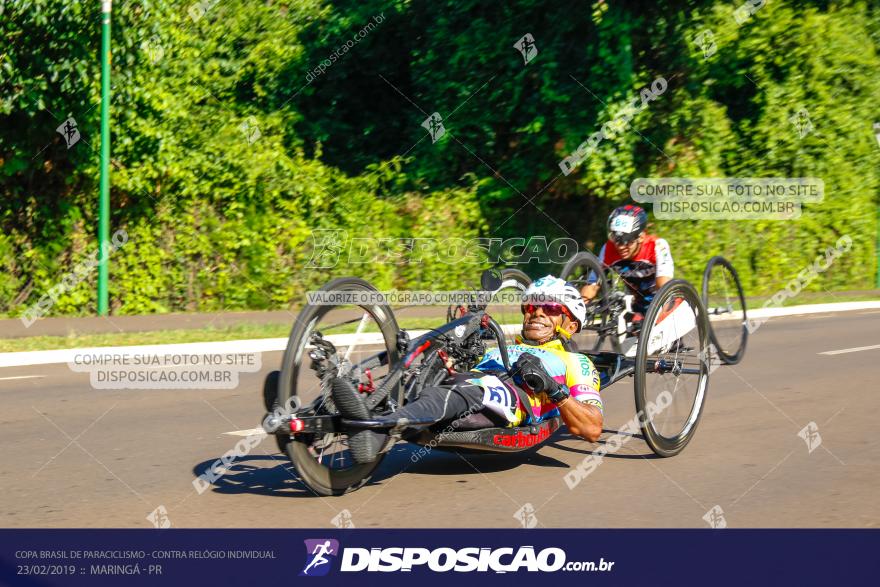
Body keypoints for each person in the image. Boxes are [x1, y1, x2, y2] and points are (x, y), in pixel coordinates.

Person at [331, 276, 604, 464]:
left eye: (551, 308)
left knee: (473, 389)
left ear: (571, 324)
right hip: (464, 383)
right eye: (531, 306)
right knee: (425, 363)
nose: (537, 313)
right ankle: (338, 399)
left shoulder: (576, 362)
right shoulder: (497, 349)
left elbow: (592, 428)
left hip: (509, 399)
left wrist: (552, 387)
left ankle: (379, 428)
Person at [580, 204, 674, 314]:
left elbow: (664, 288)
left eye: (627, 240)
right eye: (617, 239)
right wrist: (579, 309)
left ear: (641, 237)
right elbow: (593, 285)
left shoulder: (657, 246)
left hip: (659, 302)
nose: (620, 246)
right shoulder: (608, 249)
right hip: (634, 303)